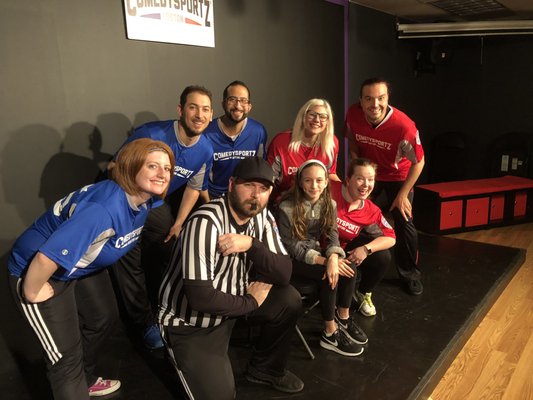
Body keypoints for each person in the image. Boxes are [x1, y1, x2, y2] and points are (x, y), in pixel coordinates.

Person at [7, 139, 175, 400]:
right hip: (40, 271)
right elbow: (44, 258)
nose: (162, 173)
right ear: (131, 167)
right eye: (152, 166)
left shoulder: (146, 201)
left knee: (103, 318)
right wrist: (30, 291)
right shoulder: (103, 210)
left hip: (79, 267)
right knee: (65, 358)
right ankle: (73, 380)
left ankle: (82, 379)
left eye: (167, 168)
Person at [158, 157, 304, 400]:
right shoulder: (205, 222)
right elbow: (201, 299)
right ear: (231, 184)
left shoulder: (262, 215)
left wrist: (252, 245)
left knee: (289, 299)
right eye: (249, 185)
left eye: (264, 189)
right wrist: (251, 302)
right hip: (192, 323)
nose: (255, 195)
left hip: (233, 301)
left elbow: (284, 273)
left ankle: (265, 369)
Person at [110, 85, 214, 349]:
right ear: (181, 110)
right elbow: (114, 167)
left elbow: (194, 186)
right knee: (127, 256)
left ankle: (168, 311)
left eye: (205, 109)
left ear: (211, 115)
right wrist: (130, 207)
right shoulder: (151, 134)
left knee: (170, 248)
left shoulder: (205, 149)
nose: (198, 114)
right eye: (193, 107)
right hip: (125, 199)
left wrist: (179, 223)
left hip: (155, 205)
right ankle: (143, 324)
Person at [277, 159, 367, 357]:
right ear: (300, 182)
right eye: (308, 181)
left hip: (316, 254)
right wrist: (327, 262)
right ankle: (329, 332)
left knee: (349, 266)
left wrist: (334, 256)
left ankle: (343, 318)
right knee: (329, 274)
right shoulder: (286, 207)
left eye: (319, 180)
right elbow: (291, 247)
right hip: (289, 260)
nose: (314, 186)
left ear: (326, 182)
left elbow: (333, 233)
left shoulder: (329, 203)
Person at [345, 77, 425, 295]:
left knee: (404, 221)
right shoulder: (353, 114)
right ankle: (355, 264)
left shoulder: (403, 126)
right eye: (369, 99)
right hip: (370, 173)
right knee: (352, 214)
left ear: (388, 98)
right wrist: (355, 165)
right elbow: (352, 139)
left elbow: (419, 162)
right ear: (360, 100)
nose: (375, 104)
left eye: (380, 98)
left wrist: (403, 194)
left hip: (398, 175)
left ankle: (410, 274)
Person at [330, 158, 396, 316]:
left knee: (383, 256)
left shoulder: (370, 210)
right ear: (348, 180)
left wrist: (366, 249)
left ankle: (362, 293)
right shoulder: (329, 189)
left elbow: (391, 237)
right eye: (360, 178)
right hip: (316, 249)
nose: (366, 185)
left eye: (371, 179)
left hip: (342, 249)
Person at [267, 98, 340, 205]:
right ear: (303, 117)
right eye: (312, 114)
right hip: (283, 202)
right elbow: (269, 180)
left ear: (328, 121)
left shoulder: (331, 142)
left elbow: (331, 174)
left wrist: (348, 191)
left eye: (323, 117)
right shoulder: (281, 142)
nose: (317, 120)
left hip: (316, 202)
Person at [203, 80, 268, 198]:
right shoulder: (207, 133)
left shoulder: (258, 132)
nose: (238, 106)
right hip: (214, 195)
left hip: (245, 196)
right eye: (232, 100)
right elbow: (200, 180)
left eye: (243, 101)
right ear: (223, 103)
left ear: (249, 106)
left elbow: (259, 170)